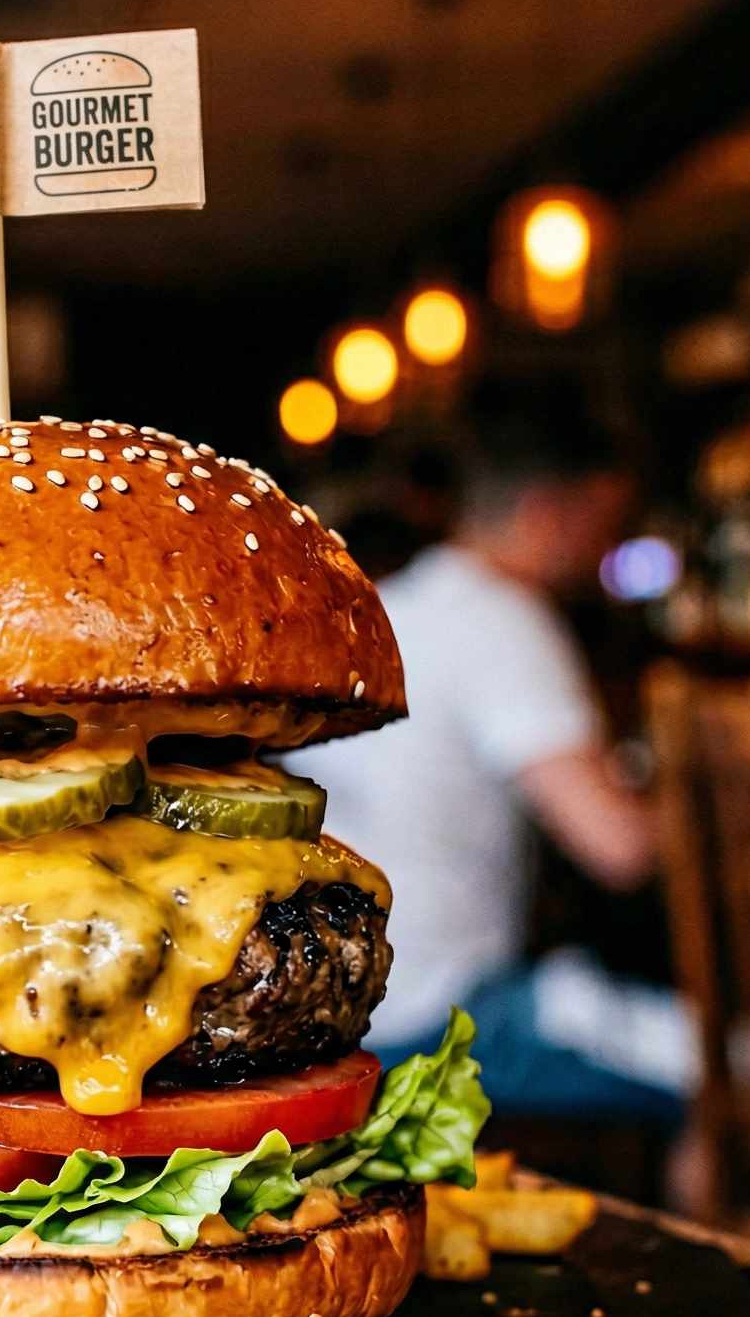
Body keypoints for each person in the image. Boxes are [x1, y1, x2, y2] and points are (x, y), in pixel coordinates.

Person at [286, 377, 690, 1127]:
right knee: (734, 1065)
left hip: (338, 1015)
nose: (607, 554)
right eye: (605, 525)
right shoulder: (506, 621)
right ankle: (731, 1240)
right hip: (441, 1017)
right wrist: (730, 809)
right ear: (547, 514)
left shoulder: (391, 605)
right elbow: (621, 845)